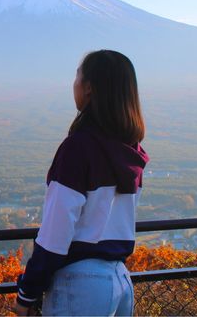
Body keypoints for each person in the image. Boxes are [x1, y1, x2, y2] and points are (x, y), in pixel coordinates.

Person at [14, 50, 149, 316]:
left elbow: (56, 232)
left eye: (77, 76)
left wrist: (27, 293)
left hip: (80, 284)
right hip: (119, 279)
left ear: (89, 88)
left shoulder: (78, 148)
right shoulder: (131, 151)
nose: (73, 83)